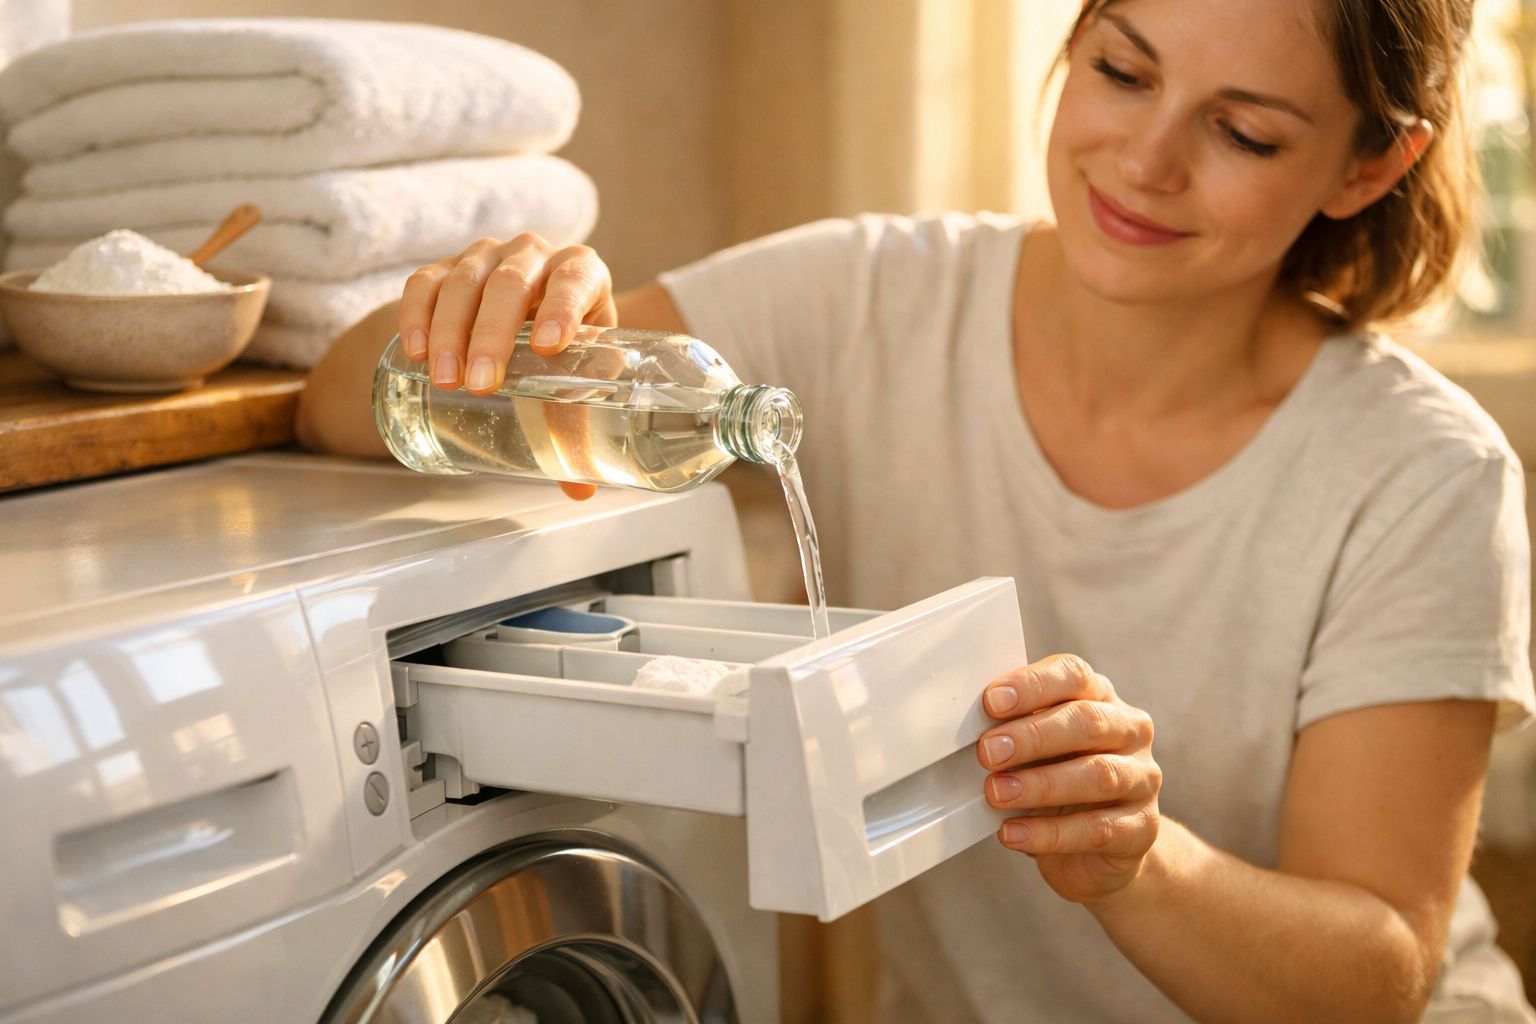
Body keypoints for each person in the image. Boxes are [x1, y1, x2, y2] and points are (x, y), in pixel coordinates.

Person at [297, 0, 1536, 1019]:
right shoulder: (870, 300)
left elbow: (1377, 972)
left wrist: (1140, 861)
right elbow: (342, 405)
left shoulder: (1423, 475)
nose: (1147, 161)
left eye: (1246, 134)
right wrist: (493, 314)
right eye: (1121, 71)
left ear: (1372, 163)